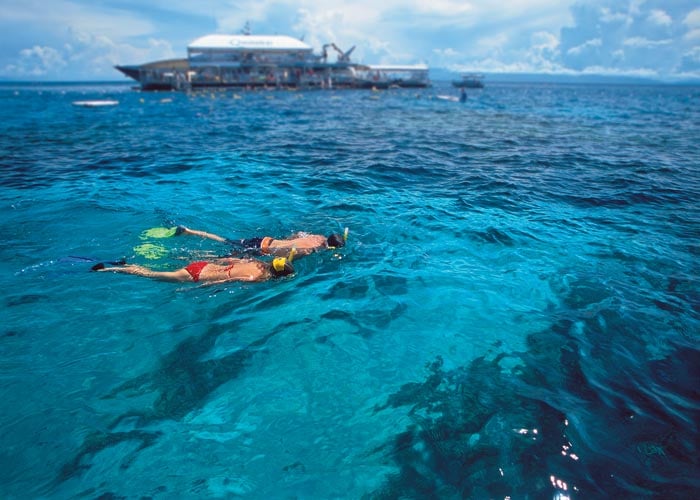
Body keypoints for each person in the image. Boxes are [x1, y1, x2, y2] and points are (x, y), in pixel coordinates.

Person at [92, 254, 294, 285]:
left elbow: (229, 260)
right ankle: (107, 270)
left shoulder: (255, 261)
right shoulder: (256, 277)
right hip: (197, 275)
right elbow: (226, 281)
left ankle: (126, 265)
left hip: (203, 265)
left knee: (153, 271)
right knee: (151, 275)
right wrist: (201, 287)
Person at [174, 226, 347, 257]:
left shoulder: (316, 236)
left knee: (225, 240)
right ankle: (186, 256)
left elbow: (295, 235)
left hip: (265, 239)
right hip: (260, 250)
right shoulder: (310, 250)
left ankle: (190, 231)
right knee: (221, 257)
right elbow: (287, 257)